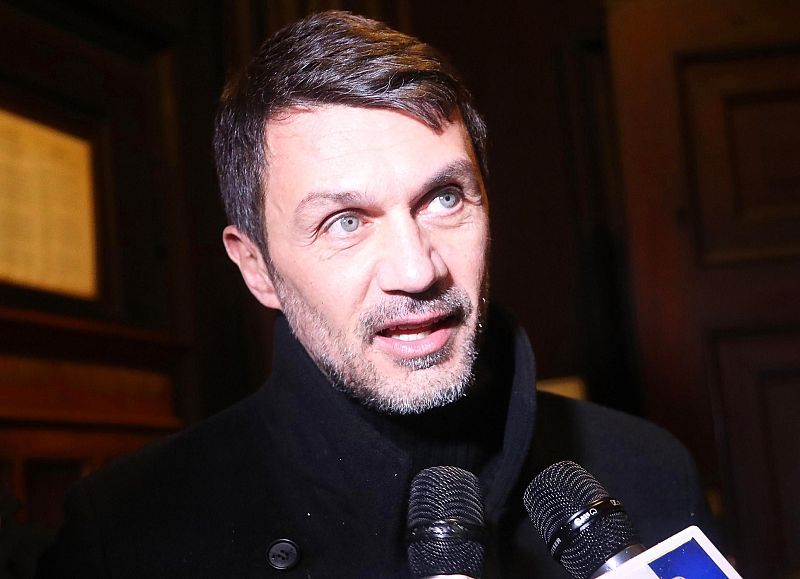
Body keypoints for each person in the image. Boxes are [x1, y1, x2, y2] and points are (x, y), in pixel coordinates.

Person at [36, 11, 713, 578]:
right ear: (257, 268)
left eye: (444, 198)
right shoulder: (124, 536)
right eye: (345, 221)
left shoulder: (649, 474)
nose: (416, 270)